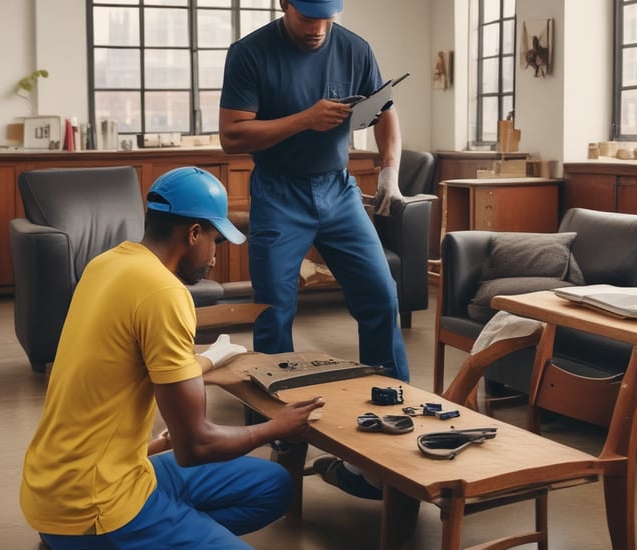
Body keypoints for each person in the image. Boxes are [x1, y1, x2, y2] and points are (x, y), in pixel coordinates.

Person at [20, 166, 324, 549]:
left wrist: (212, 359)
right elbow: (195, 446)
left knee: (274, 485)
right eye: (215, 240)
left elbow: (133, 366)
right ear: (193, 233)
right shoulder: (164, 292)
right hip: (93, 504)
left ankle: (167, 529)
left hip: (75, 477)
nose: (214, 255)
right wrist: (275, 428)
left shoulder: (106, 264)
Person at [219, 0, 408, 500]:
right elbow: (232, 135)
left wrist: (389, 170)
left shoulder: (355, 50)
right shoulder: (250, 53)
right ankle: (281, 429)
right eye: (308, 17)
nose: (319, 29)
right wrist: (305, 119)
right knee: (274, 311)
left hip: (339, 190)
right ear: (285, 5)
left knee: (381, 295)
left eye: (329, 17)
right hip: (278, 192)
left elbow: (385, 114)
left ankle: (394, 408)